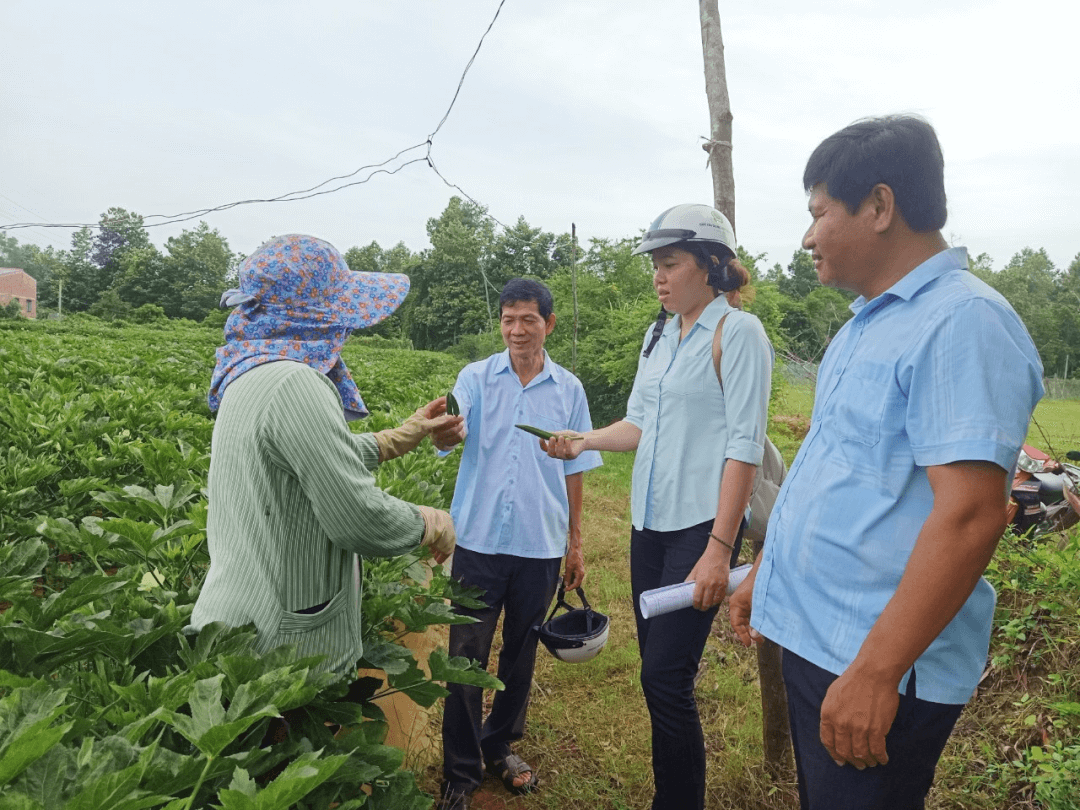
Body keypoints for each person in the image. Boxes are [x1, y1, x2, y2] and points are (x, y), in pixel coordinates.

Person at [729, 115, 1045, 810]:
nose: (808, 236)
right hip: (821, 638)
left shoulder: (963, 322)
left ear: (879, 206)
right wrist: (769, 570)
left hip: (873, 661)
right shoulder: (864, 325)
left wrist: (876, 673)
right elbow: (837, 474)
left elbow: (970, 515)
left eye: (818, 213)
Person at [545, 205, 774, 810]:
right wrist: (585, 440)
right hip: (648, 527)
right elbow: (640, 422)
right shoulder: (660, 334)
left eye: (671, 264)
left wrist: (718, 551)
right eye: (655, 265)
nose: (659, 276)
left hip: (700, 530)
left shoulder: (737, 334)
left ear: (713, 265)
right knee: (659, 678)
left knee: (665, 678)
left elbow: (744, 444)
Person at [190, 234, 461, 677]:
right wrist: (432, 522)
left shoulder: (251, 371)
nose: (346, 328)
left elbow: (306, 459)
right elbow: (358, 518)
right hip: (279, 650)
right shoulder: (297, 383)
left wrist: (400, 436)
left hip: (236, 625)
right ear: (317, 317)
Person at [434, 278, 603, 810]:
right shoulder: (477, 378)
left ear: (548, 324)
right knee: (465, 654)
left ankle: (499, 744)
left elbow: (576, 466)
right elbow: (452, 433)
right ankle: (460, 772)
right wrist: (443, 432)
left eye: (527, 319)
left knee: (520, 653)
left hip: (540, 542)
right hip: (479, 539)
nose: (516, 330)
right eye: (508, 319)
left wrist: (575, 543)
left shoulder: (569, 390)